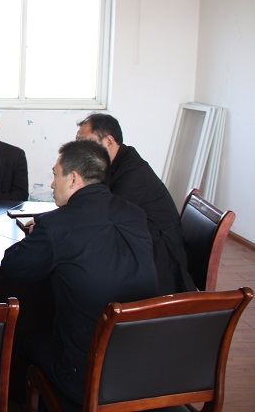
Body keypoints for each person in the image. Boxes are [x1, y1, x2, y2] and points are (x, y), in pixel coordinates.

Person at [1, 140, 158, 406]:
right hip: (142, 370)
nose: (52, 184)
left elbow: (13, 266)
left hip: (84, 377)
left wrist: (38, 235)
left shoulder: (56, 226)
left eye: (55, 175)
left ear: (73, 178)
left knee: (23, 334)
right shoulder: (135, 214)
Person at [76, 113, 196, 294]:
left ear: (109, 141)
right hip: (137, 241)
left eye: (85, 142)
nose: (79, 149)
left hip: (160, 258)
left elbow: (104, 219)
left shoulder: (132, 173)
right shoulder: (113, 162)